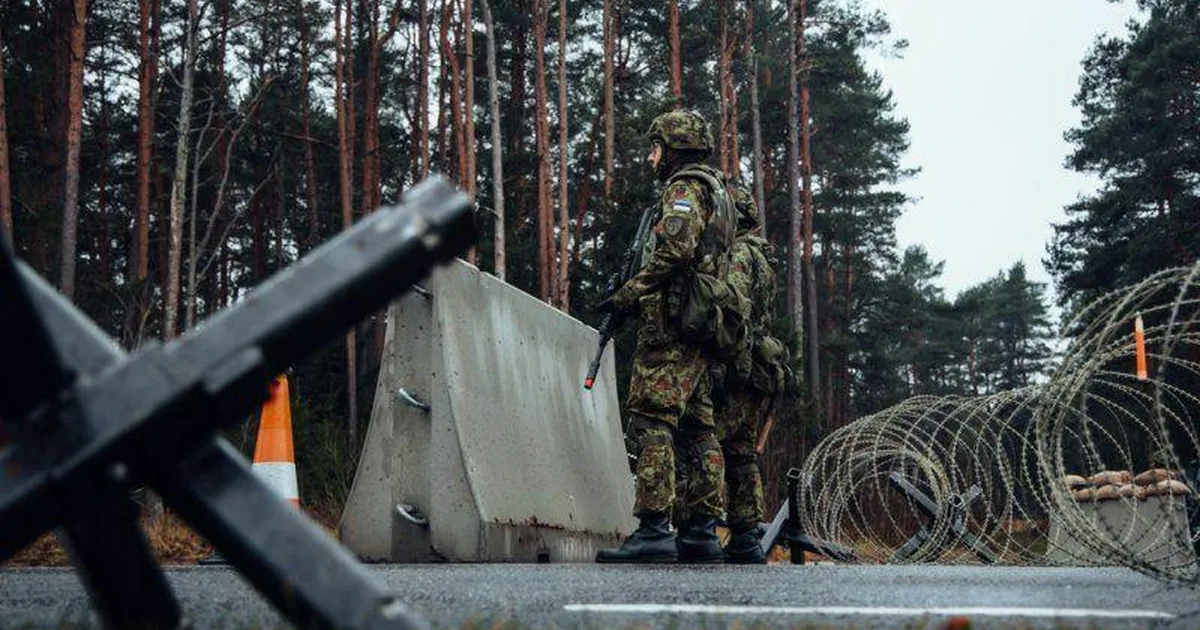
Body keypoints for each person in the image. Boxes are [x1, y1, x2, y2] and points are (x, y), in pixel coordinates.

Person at [595, 110, 737, 564]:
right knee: (698, 429)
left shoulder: (684, 189)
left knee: (652, 419)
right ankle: (700, 532)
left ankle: (654, 529)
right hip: (699, 325)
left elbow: (674, 251)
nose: (651, 157)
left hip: (672, 327)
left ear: (675, 148)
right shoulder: (717, 191)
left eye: (656, 148)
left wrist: (627, 294)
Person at [714, 185, 782, 563]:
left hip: (737, 365)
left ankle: (703, 526)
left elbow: (732, 306)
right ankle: (745, 534)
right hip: (755, 367)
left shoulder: (740, 254)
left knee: (709, 442)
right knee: (741, 453)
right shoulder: (764, 258)